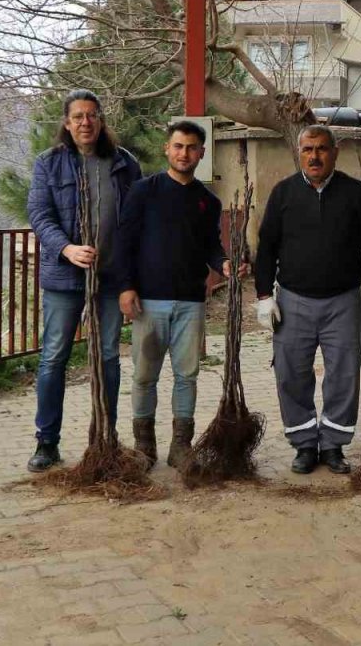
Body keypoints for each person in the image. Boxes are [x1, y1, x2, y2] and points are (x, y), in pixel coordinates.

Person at [254, 125, 361, 476]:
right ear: (299, 152)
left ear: (335, 152)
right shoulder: (283, 193)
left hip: (343, 300)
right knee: (291, 374)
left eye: (322, 149)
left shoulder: (354, 192)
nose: (315, 156)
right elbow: (266, 246)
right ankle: (304, 446)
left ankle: (332, 445)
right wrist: (265, 296)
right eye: (308, 149)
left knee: (343, 375)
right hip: (294, 300)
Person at [26, 89, 141, 473]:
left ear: (102, 119)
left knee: (108, 356)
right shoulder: (49, 163)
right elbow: (40, 215)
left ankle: (104, 435)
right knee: (54, 356)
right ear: (66, 122)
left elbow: (136, 221)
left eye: (92, 115)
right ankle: (47, 442)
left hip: (111, 277)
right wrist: (67, 249)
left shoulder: (124, 163)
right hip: (64, 277)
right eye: (77, 116)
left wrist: (131, 277)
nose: (85, 122)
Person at [117, 120, 236, 469]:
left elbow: (211, 246)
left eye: (192, 148)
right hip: (148, 301)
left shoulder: (207, 201)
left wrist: (224, 263)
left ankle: (180, 447)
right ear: (166, 149)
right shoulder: (143, 191)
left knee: (187, 375)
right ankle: (144, 446)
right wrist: (126, 287)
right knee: (143, 376)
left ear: (202, 153)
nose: (184, 153)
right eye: (178, 146)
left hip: (190, 302)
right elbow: (125, 243)